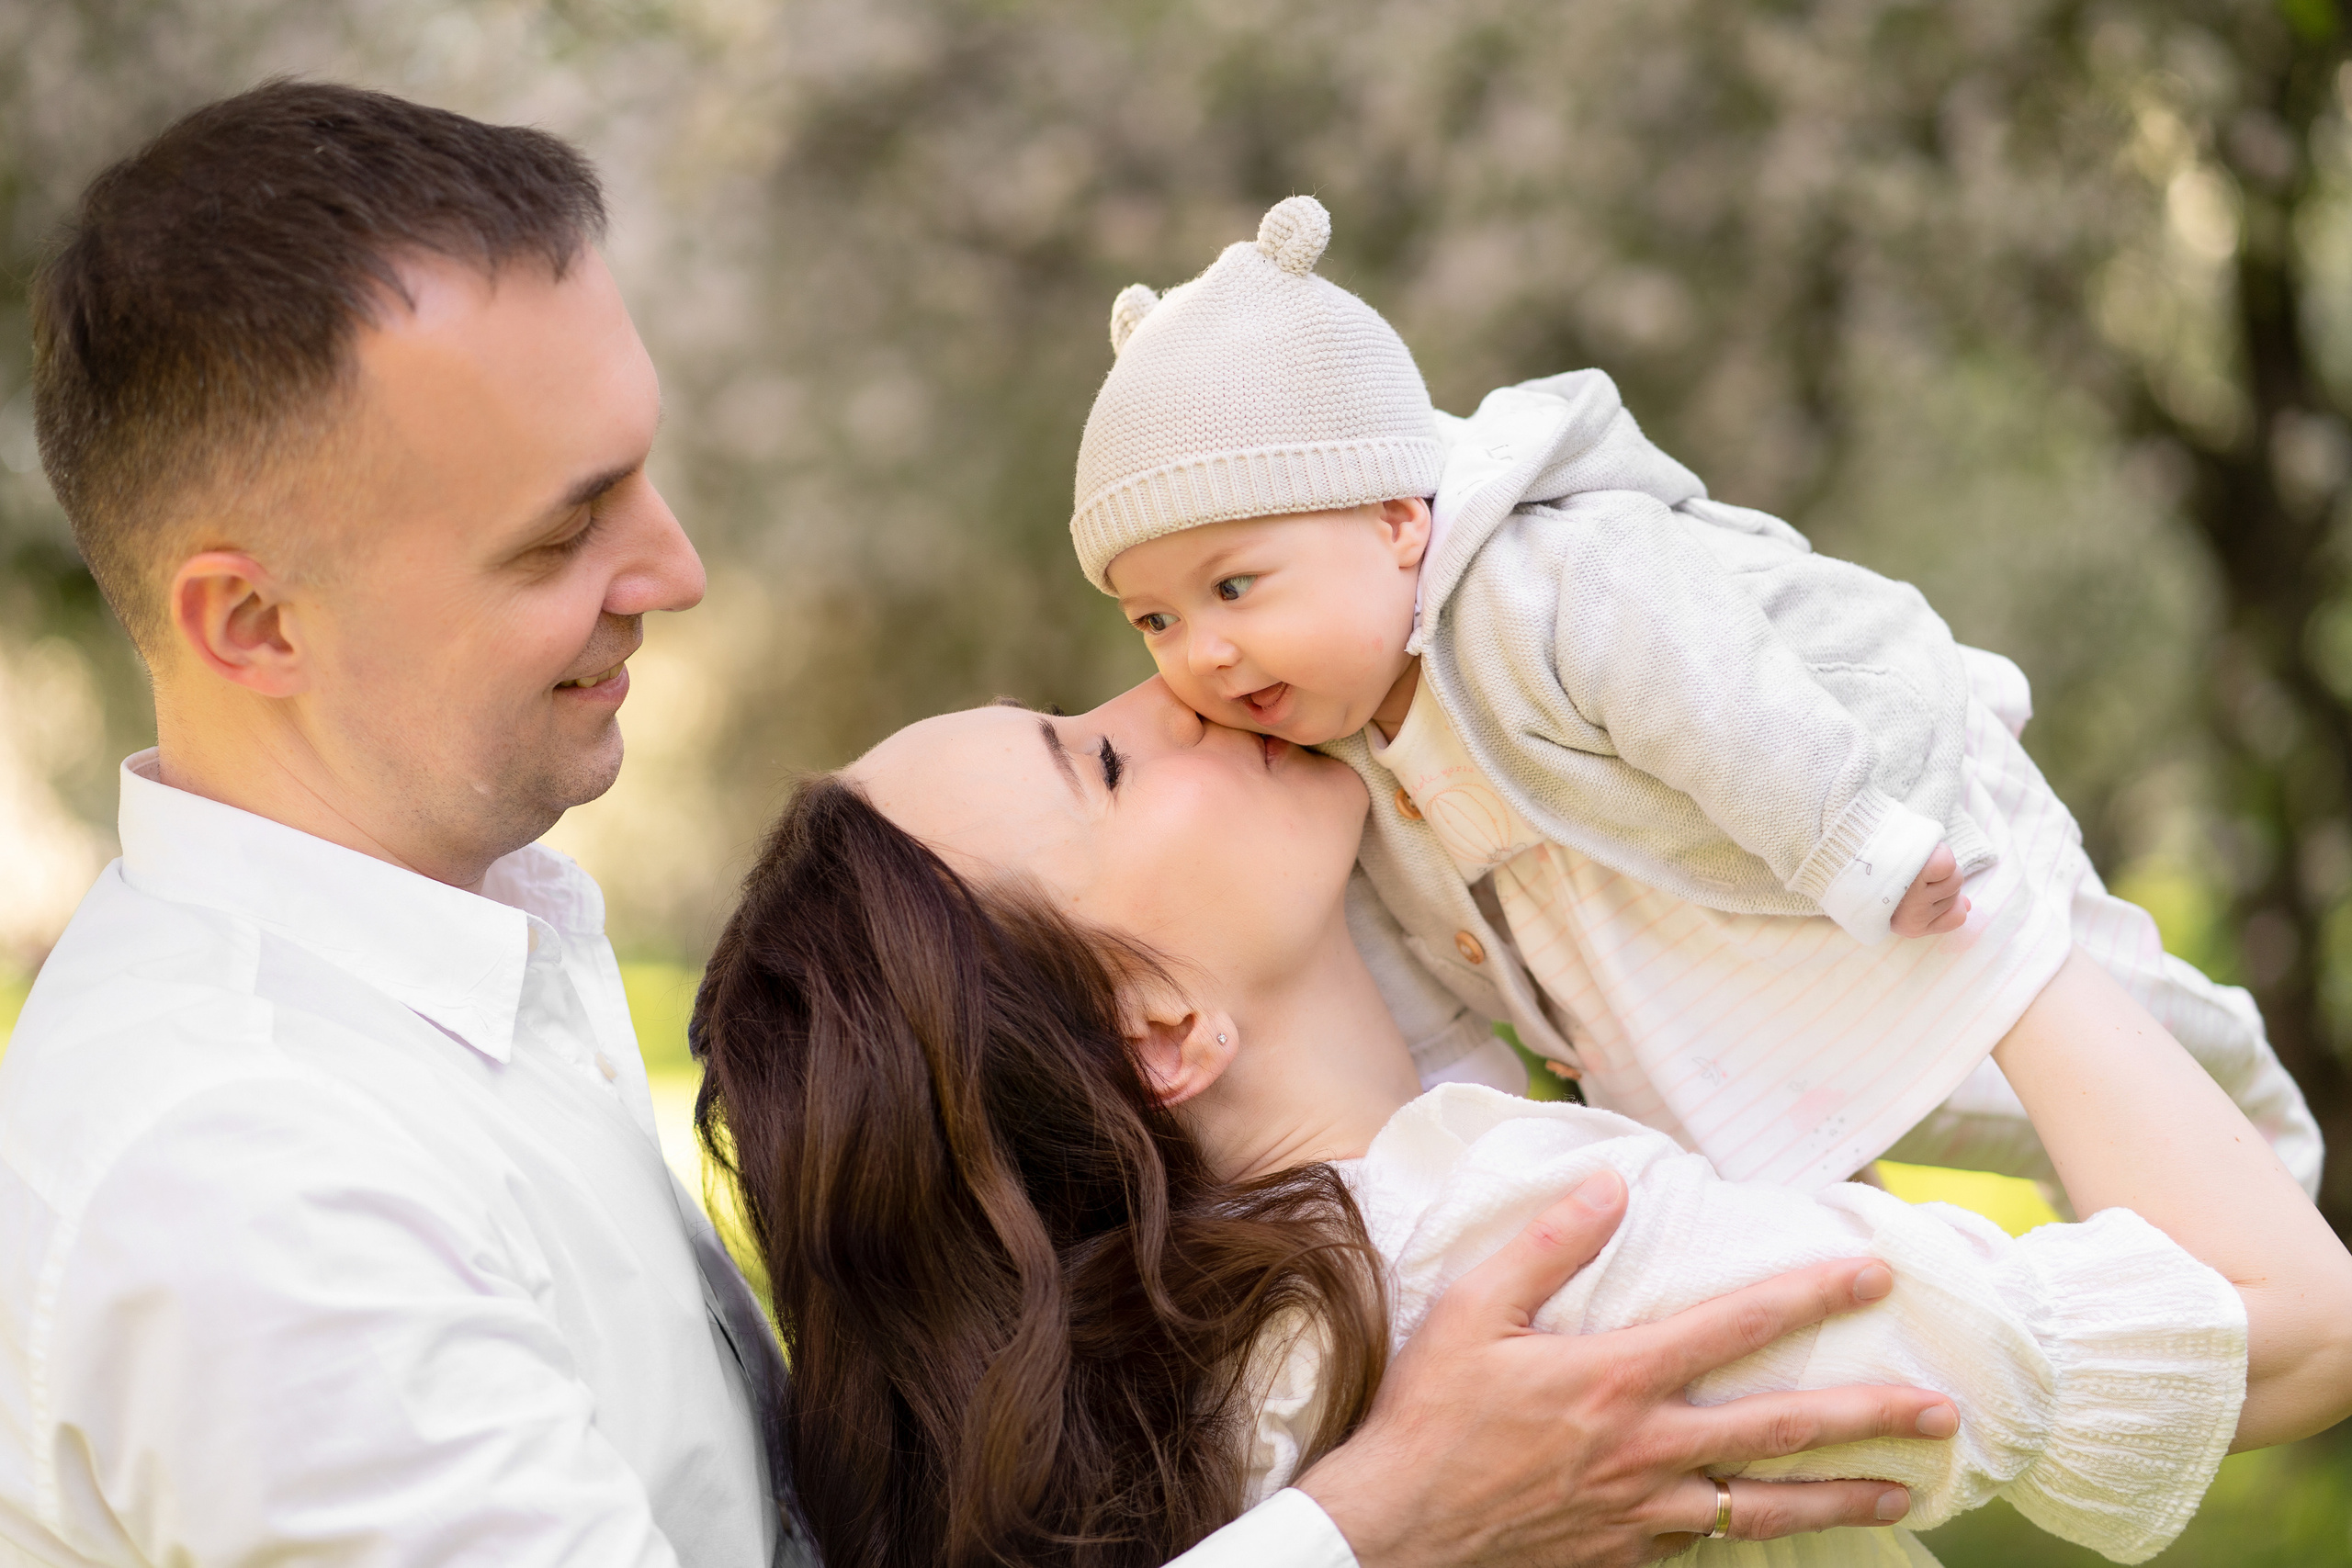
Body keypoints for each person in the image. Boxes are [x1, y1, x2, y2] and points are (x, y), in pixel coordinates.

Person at [0, 82, 1961, 1568]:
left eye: (641, 477)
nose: (671, 569)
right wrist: (1377, 1521)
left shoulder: (465, 950)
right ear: (249, 621)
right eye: (559, 529)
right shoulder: (245, 1177)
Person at [689, 677, 2352, 1568]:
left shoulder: (1207, 1368)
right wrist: (1974, 875)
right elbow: (2284, 1331)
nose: (1167, 687)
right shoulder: (1538, 1269)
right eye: (1104, 768)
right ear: (1163, 1028)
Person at [1069, 196, 2323, 1197]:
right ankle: (2040, 1257)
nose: (1204, 654)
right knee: (1889, 1160)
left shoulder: (1541, 583)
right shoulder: (1334, 766)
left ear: (1400, 521)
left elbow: (1718, 697)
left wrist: (1849, 836)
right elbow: (1421, 966)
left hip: (1866, 820)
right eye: (1158, 621)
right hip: (1693, 971)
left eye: (1236, 586)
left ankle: (2268, 1160)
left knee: (2100, 1031)